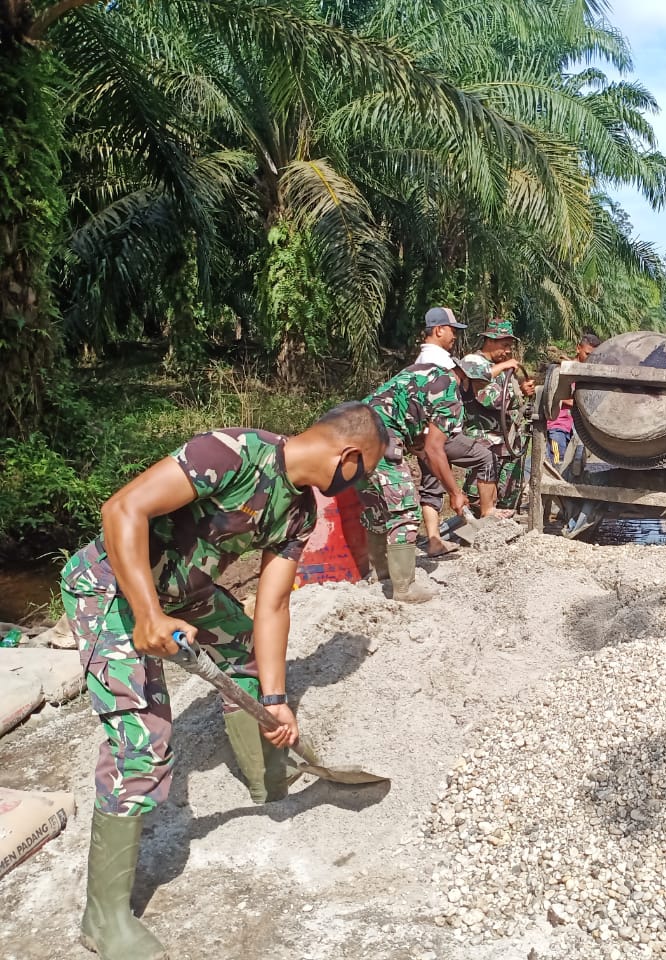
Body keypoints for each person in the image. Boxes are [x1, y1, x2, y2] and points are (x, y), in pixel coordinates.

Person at [60, 402, 389, 960]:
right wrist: (145, 613)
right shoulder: (231, 451)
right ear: (348, 456)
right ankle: (104, 919)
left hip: (185, 592)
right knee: (143, 743)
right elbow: (122, 509)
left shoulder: (300, 514)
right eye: (364, 471)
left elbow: (274, 604)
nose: (359, 483)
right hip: (113, 588)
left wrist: (277, 699)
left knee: (254, 667)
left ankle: (269, 786)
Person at [357, 307, 472, 593]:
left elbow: (420, 441)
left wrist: (447, 482)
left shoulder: (422, 371)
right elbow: (435, 450)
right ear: (466, 376)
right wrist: (455, 492)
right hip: (379, 437)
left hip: (353, 429)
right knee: (405, 507)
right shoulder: (447, 387)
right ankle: (404, 588)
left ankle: (381, 575)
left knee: (376, 506)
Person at [459, 317, 536, 512]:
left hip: (507, 443)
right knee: (480, 496)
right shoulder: (472, 362)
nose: (508, 351)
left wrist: (523, 392)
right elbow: (490, 399)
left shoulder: (503, 371)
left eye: (510, 346)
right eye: (505, 345)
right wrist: (504, 367)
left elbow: (512, 403)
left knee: (509, 493)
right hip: (484, 443)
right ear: (490, 341)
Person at [545, 333, 600, 466]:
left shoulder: (585, 376)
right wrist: (578, 403)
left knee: (571, 464)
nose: (589, 359)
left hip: (574, 429)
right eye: (587, 354)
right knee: (557, 463)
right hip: (558, 427)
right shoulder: (563, 371)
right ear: (578, 349)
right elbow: (552, 395)